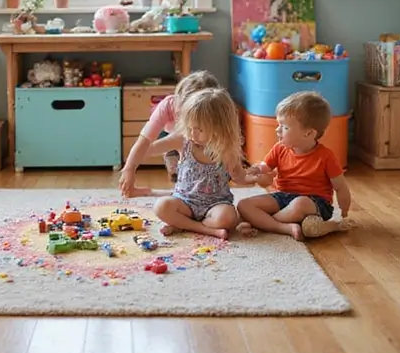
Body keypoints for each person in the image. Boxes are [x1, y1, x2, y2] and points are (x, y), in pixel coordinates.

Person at [237, 91, 353, 241]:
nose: (277, 130)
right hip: (283, 196)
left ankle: (261, 223)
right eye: (279, 124)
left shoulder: (327, 157)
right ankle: (284, 227)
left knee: (300, 203)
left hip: (315, 202)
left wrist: (344, 212)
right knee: (243, 205)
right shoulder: (280, 148)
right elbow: (266, 166)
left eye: (284, 127)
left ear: (308, 133)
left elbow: (340, 187)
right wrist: (256, 169)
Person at [147, 88, 257, 240]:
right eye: (190, 128)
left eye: (198, 130)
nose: (192, 134)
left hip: (215, 205)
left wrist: (254, 179)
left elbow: (239, 177)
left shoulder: (227, 151)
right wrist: (144, 141)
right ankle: (206, 230)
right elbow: (150, 149)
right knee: (161, 207)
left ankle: (183, 225)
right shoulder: (182, 140)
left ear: (218, 128)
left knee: (228, 218)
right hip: (184, 201)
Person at [118, 70, 220, 197]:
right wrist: (129, 169)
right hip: (174, 137)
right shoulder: (168, 106)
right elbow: (144, 140)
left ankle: (160, 190)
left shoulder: (216, 113)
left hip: (202, 143)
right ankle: (172, 161)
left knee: (197, 187)